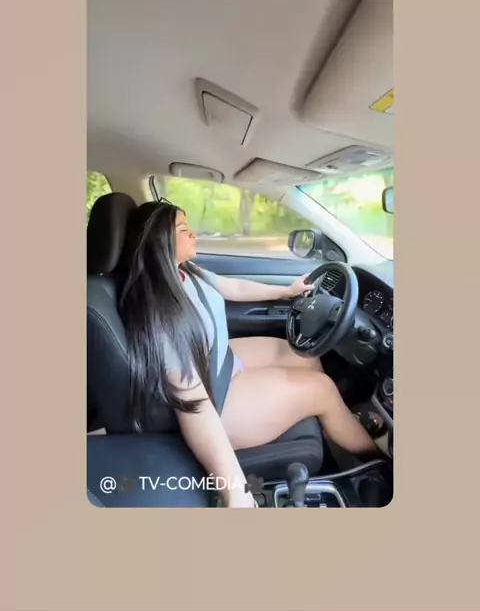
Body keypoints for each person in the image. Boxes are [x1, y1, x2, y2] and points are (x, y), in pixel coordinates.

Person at [119, 199, 380, 507]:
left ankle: (337, 423)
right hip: (213, 397)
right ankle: (376, 460)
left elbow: (231, 288)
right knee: (322, 389)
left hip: (216, 359)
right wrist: (235, 490)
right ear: (160, 240)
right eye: (184, 229)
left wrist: (287, 291)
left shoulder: (184, 272)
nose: (194, 234)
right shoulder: (159, 309)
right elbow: (193, 405)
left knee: (304, 355)